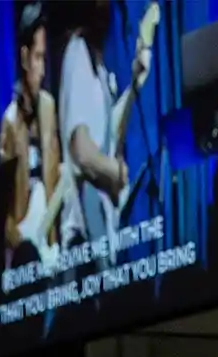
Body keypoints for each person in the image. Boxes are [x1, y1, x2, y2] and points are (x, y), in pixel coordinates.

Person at [58, 0, 151, 247]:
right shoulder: (78, 53)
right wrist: (116, 171)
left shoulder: (97, 68)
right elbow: (83, 151)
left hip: (101, 232)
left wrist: (134, 86)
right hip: (84, 240)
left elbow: (108, 135)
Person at [0, 2, 65, 267]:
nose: (43, 69)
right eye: (37, 58)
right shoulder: (10, 121)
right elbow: (1, 201)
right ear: (25, 57)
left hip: (50, 245)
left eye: (44, 59)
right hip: (23, 253)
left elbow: (58, 169)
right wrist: (16, 238)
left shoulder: (49, 107)